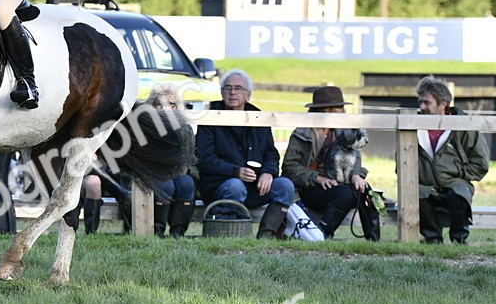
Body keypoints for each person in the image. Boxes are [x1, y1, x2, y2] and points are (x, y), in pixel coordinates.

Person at [80, 85, 197, 236]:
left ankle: (178, 233)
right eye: (158, 104)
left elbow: (193, 159)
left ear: (176, 107)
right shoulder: (144, 128)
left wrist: (187, 169)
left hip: (177, 172)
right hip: (150, 173)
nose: (162, 108)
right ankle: (157, 231)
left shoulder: (185, 129)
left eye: (169, 104)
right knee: (165, 185)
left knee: (187, 184)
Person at [195, 68, 295, 238]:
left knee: (285, 186)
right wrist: (236, 171)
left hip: (255, 186)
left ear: (248, 94)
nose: (232, 92)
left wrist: (268, 172)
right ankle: (230, 237)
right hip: (219, 185)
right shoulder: (210, 115)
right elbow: (205, 159)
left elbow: (271, 153)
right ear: (221, 92)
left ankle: (266, 235)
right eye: (228, 88)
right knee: (235, 186)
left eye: (238, 88)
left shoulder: (258, 117)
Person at [282, 86, 368, 238]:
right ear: (327, 110)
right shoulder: (302, 134)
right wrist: (317, 178)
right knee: (346, 194)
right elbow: (289, 167)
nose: (344, 112)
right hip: (309, 189)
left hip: (336, 185)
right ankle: (322, 233)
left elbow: (355, 157)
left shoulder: (344, 133)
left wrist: (356, 175)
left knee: (364, 191)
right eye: (340, 108)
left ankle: (372, 239)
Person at [410, 76, 488, 244]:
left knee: (459, 196)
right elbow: (402, 164)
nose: (421, 107)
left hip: (455, 183)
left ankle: (459, 240)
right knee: (416, 194)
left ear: (443, 104)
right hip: (424, 185)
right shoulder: (411, 125)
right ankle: (433, 240)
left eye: (426, 103)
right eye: (420, 102)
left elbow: (481, 163)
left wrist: (459, 173)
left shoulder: (465, 126)